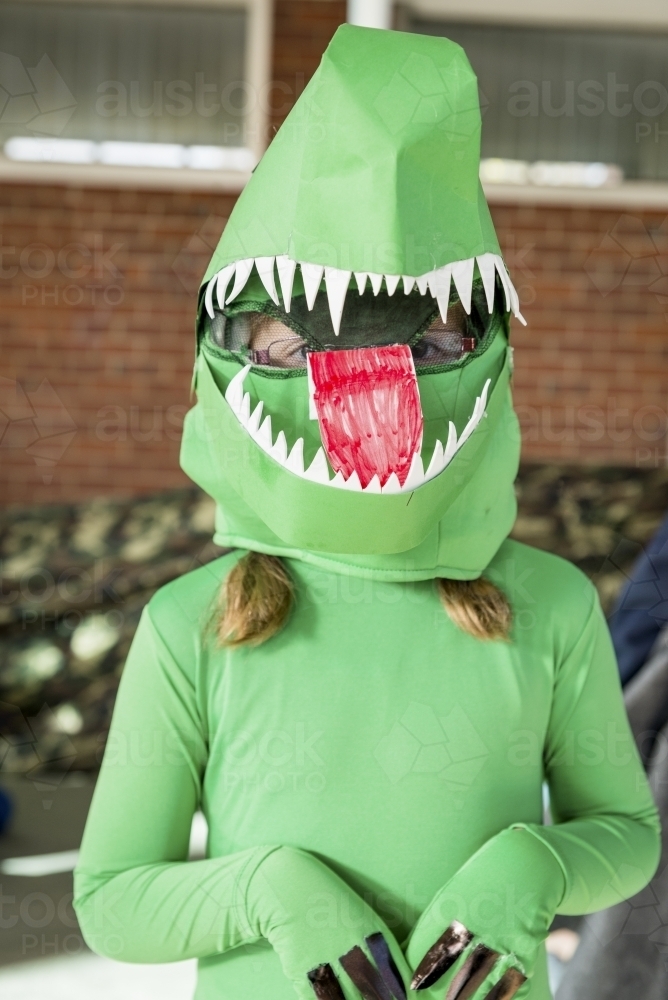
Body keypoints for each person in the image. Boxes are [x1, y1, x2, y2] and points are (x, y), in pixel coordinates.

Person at [73, 25, 659, 1000]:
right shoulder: (190, 624)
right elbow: (110, 897)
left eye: (428, 346)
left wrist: (538, 865)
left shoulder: (548, 604)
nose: (365, 395)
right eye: (290, 346)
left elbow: (627, 838)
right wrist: (268, 891)